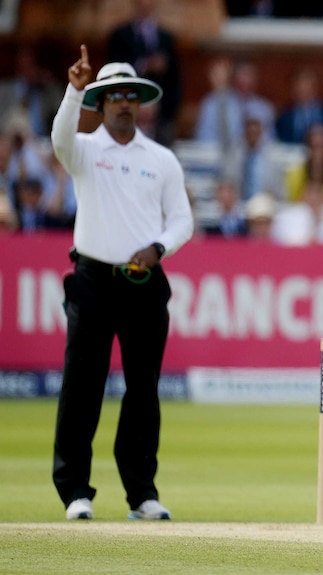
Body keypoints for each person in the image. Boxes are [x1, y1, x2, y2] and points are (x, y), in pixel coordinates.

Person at [51, 45, 194, 521]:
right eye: (113, 96)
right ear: (101, 103)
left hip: (143, 283)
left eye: (130, 95)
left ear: (140, 101)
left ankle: (141, 494)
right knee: (82, 387)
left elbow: (182, 221)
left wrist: (157, 249)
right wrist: (73, 92)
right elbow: (59, 141)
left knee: (143, 390)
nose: (123, 103)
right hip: (92, 280)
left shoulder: (161, 159)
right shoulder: (86, 150)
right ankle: (75, 492)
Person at [106, 0, 182, 147]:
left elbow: (175, 81)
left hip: (161, 118)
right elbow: (113, 71)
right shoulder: (120, 36)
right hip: (126, 111)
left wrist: (163, 110)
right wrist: (144, 65)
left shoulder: (166, 38)